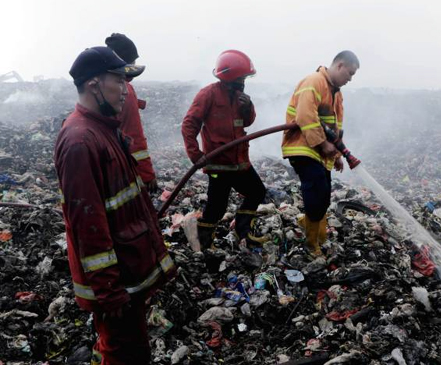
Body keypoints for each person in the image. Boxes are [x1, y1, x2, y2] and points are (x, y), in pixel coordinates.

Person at [55, 46, 176, 365]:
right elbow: (87, 226)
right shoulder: (81, 141)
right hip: (115, 281)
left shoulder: (102, 129)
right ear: (94, 84)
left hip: (126, 271)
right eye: (119, 82)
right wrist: (108, 291)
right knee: (127, 354)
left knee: (121, 347)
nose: (126, 90)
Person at [181, 50, 265, 248]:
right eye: (241, 77)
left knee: (257, 192)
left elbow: (247, 122)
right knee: (216, 208)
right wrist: (196, 155)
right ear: (229, 76)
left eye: (245, 77)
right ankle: (204, 243)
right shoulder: (208, 94)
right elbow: (189, 125)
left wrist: (248, 107)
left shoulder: (239, 96)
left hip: (240, 163)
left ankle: (242, 232)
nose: (243, 81)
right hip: (219, 165)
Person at [281, 50, 359, 257]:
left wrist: (338, 155)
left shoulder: (337, 94)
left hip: (319, 151)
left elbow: (336, 127)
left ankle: (309, 225)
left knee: (324, 195)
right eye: (349, 73)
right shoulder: (314, 81)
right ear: (340, 65)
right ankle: (310, 244)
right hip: (302, 145)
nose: (350, 79)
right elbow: (305, 115)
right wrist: (323, 144)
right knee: (315, 192)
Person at [105, 33, 158, 193]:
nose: (135, 64)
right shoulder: (125, 92)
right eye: (132, 61)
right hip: (121, 167)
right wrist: (147, 174)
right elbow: (134, 136)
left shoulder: (101, 88)